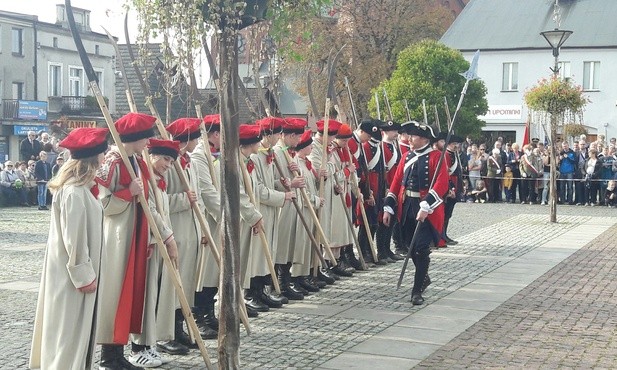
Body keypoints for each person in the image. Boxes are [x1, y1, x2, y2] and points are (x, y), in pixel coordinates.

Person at [29, 127, 109, 369]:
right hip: (71, 276)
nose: (105, 158)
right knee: (68, 332)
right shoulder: (74, 191)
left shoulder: (80, 188)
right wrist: (83, 275)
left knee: (72, 331)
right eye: (103, 154)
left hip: (72, 272)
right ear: (93, 157)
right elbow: (73, 238)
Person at [96, 112, 156, 369]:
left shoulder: (136, 161)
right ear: (135, 137)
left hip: (137, 234)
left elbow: (148, 201)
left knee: (131, 293)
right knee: (114, 294)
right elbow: (103, 203)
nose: (148, 144)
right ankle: (109, 356)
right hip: (117, 238)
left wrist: (151, 237)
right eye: (145, 138)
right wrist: (126, 193)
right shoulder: (112, 162)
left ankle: (121, 351)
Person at [383, 121, 449, 305]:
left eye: (414, 136)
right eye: (409, 135)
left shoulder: (437, 157)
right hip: (407, 207)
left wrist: (426, 205)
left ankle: (416, 290)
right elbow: (397, 182)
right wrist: (389, 205)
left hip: (427, 209)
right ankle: (424, 276)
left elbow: (441, 184)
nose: (409, 139)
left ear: (425, 139)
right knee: (409, 246)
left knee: (420, 249)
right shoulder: (406, 157)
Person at [128, 138, 181, 367]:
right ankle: (137, 347)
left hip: (157, 242)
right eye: (165, 159)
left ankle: (149, 344)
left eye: (171, 161)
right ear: (152, 156)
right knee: (145, 296)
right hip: (146, 242)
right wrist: (167, 237)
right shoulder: (145, 177)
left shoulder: (160, 179)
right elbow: (148, 210)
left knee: (155, 295)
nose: (168, 165)